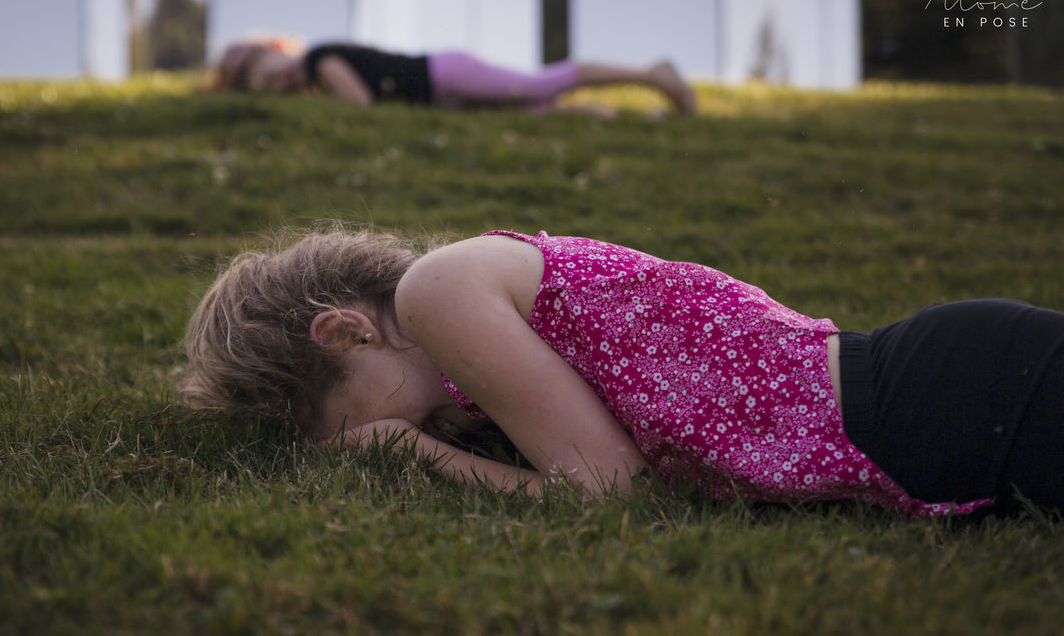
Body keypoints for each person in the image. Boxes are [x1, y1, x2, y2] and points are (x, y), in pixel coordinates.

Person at [178, 227, 1064, 518]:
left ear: (343, 334)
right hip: (933, 423)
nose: (386, 439)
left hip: (952, 394)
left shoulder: (435, 293)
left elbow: (606, 490)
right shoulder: (482, 375)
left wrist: (413, 455)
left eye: (352, 425)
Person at [208, 38, 697, 114]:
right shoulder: (313, 69)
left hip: (445, 74)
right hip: (443, 92)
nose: (284, 85)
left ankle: (652, 75)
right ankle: (594, 114)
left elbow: (362, 109)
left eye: (275, 77)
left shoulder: (318, 59)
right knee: (528, 107)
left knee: (540, 84)